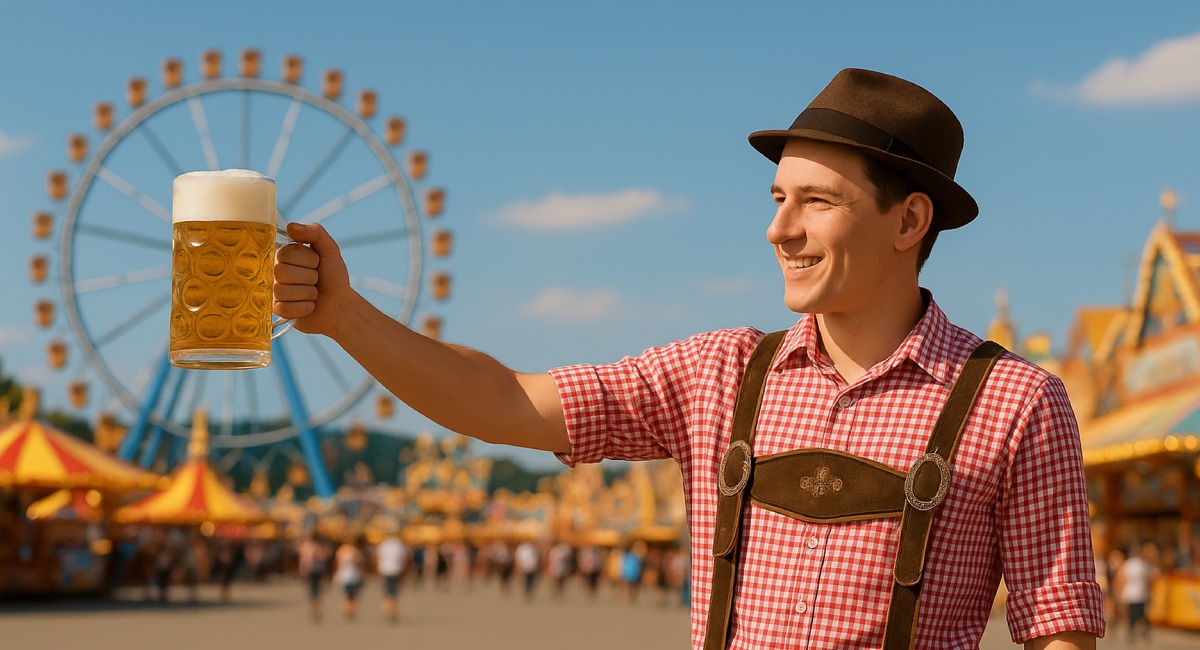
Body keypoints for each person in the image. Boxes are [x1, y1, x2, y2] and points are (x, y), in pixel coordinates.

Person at [274, 68, 1105, 648]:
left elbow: (1057, 627)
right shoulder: (718, 375)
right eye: (778, 199)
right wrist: (343, 314)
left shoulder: (1015, 401)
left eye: (817, 201)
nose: (780, 230)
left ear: (908, 220)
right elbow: (506, 402)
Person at [1117, 542, 1156, 644]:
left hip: (1131, 594)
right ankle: (1141, 634)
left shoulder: (1128, 564)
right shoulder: (1143, 565)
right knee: (1141, 614)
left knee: (1133, 616)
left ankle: (1133, 634)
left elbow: (1121, 578)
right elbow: (1148, 580)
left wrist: (1121, 592)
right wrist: (1150, 593)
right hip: (1140, 594)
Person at [296, 532, 329, 623]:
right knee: (317, 590)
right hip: (319, 569)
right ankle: (316, 605)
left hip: (310, 570)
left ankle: (314, 606)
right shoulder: (321, 547)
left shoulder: (305, 547)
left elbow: (304, 561)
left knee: (312, 590)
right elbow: (325, 557)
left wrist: (302, 571)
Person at [376, 530, 406, 622]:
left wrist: (378, 569)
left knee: (387, 591)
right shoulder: (399, 544)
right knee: (394, 592)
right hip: (396, 570)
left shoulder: (383, 544)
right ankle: (392, 611)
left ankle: (388, 610)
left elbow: (378, 558)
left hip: (385, 570)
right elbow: (403, 558)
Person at [333, 536, 366, 621]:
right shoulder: (357, 552)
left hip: (345, 576)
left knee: (347, 595)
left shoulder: (341, 550)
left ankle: (348, 609)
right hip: (354, 576)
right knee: (352, 595)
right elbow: (361, 565)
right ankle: (351, 610)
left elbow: (337, 563)